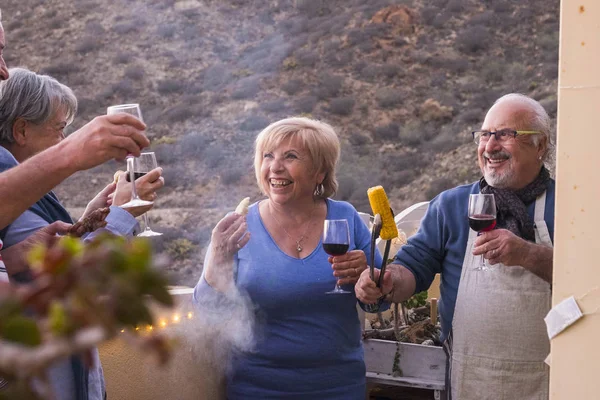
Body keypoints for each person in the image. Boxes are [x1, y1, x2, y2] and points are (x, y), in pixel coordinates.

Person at [356, 93, 555, 400]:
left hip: (552, 380)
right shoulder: (452, 206)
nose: (490, 146)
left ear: (539, 145)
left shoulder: (571, 206)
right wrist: (388, 281)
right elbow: (413, 267)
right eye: (485, 135)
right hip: (471, 381)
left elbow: (587, 280)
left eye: (505, 134)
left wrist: (528, 254)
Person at [194, 117, 382, 399]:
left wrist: (367, 279)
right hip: (258, 389)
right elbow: (207, 311)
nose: (275, 167)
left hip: (339, 387)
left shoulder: (345, 216)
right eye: (267, 156)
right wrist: (216, 258)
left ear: (319, 172)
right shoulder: (238, 225)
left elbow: (380, 298)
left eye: (290, 156)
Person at [0, 68, 164, 264]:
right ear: (21, 130)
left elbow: (48, 254)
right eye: (59, 129)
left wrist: (87, 222)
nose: (63, 140)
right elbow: (65, 274)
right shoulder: (13, 197)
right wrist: (123, 213)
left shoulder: (29, 189)